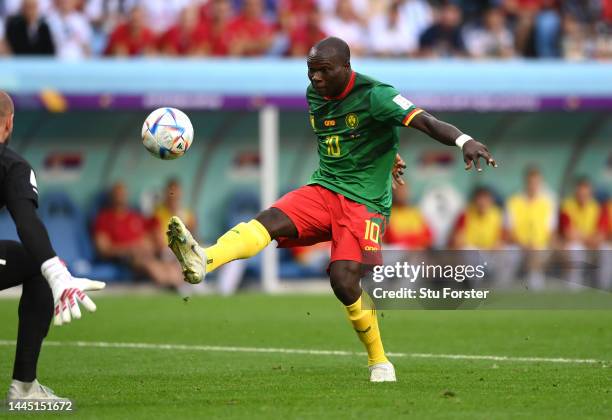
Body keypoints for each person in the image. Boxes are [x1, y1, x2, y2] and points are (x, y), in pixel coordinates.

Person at [166, 37, 497, 382]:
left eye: (324, 71)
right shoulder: (315, 96)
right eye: (311, 71)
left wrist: (464, 140)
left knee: (343, 281)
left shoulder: (376, 95)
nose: (316, 78)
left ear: (346, 67)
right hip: (325, 188)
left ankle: (379, 360)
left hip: (363, 203)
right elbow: (349, 138)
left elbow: (425, 121)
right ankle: (205, 259)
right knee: (268, 221)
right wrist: (384, 155)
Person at [0, 92, 104, 400]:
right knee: (38, 266)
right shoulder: (11, 166)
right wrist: (55, 271)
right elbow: (26, 222)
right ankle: (24, 388)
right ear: (9, 123)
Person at [93, 182, 183, 288]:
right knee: (150, 264)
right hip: (125, 258)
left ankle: (178, 284)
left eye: (123, 194)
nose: (120, 197)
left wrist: (148, 245)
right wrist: (129, 248)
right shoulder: (104, 219)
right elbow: (103, 250)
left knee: (169, 263)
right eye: (117, 194)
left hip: (146, 254)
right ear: (111, 196)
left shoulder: (134, 216)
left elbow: (151, 233)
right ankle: (170, 284)